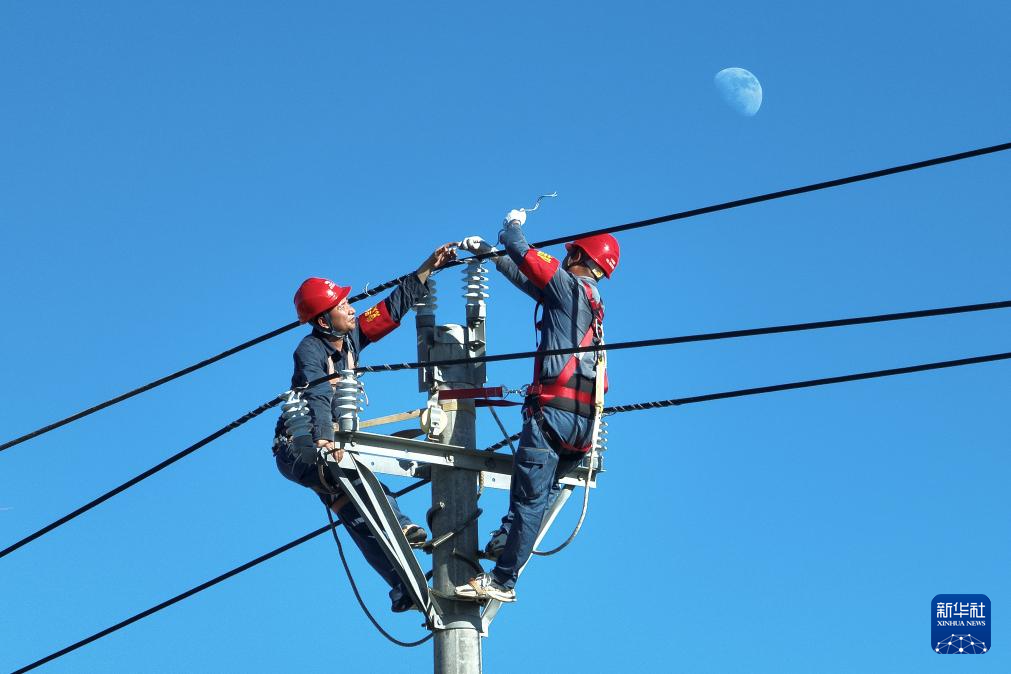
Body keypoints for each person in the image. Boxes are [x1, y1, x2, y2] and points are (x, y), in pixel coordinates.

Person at [272, 243, 457, 613]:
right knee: (360, 481)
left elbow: (389, 309)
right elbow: (317, 394)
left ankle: (402, 588)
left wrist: (427, 267)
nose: (351, 308)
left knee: (355, 514)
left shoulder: (350, 340)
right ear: (323, 321)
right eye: (342, 305)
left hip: (323, 446)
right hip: (299, 448)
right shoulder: (310, 350)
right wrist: (325, 440)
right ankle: (399, 525)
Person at [454, 210, 620, 603]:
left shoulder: (568, 287)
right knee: (537, 495)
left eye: (569, 254)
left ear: (578, 256)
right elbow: (526, 276)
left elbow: (523, 251)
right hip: (583, 428)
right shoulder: (588, 302)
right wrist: (490, 255)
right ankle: (506, 538)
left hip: (552, 418)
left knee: (528, 500)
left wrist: (511, 225)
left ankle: (502, 580)